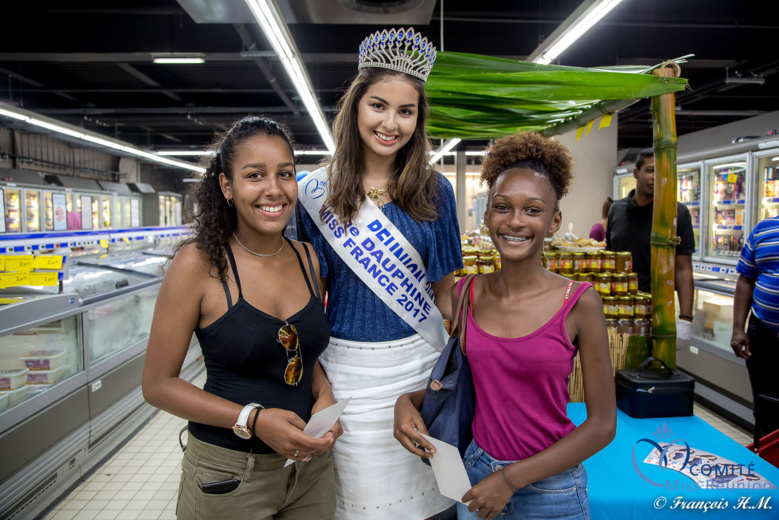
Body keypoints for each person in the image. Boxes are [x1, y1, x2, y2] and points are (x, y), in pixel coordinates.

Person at [395, 132, 616, 520]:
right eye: (502, 207)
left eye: (533, 210)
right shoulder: (466, 296)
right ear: (486, 216)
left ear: (554, 221)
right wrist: (404, 403)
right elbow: (465, 388)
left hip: (552, 488)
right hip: (476, 473)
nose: (515, 221)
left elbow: (601, 425)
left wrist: (511, 479)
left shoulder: (579, 302)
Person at [296, 27, 463, 519]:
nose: (391, 123)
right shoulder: (316, 193)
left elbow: (447, 294)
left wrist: (506, 322)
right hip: (347, 378)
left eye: (406, 111)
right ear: (356, 108)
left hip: (421, 373)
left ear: (418, 118)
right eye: (378, 106)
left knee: (443, 497)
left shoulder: (437, 192)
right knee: (362, 508)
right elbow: (310, 297)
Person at [142, 116, 341, 520]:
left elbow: (301, 350)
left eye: (285, 174)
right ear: (226, 186)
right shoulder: (198, 264)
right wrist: (252, 419)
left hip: (309, 471)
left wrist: (324, 394)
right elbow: (157, 385)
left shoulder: (306, 257)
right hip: (230, 474)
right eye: (255, 175)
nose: (274, 189)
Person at [606, 148, 696, 348]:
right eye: (650, 170)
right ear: (636, 173)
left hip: (658, 310)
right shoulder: (616, 209)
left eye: (663, 172)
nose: (656, 177)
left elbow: (683, 268)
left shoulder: (675, 213)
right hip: (618, 310)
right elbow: (610, 257)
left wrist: (686, 319)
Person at [730, 216, 779, 441]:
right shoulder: (763, 230)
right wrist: (738, 328)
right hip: (763, 334)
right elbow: (746, 280)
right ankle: (767, 459)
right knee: (765, 404)